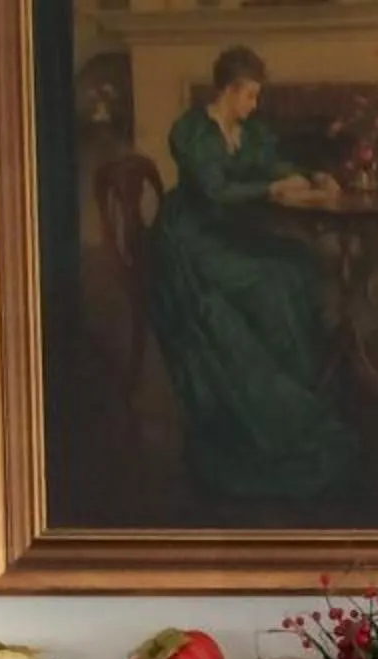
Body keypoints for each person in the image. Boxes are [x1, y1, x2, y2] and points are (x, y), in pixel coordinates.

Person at [147, 47, 362, 502]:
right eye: (250, 95)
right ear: (228, 90)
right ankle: (271, 407)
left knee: (295, 265)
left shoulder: (247, 132)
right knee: (268, 279)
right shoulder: (190, 132)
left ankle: (300, 384)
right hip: (188, 239)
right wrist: (271, 187)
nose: (254, 104)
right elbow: (215, 190)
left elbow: (272, 164)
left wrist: (311, 176)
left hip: (223, 232)